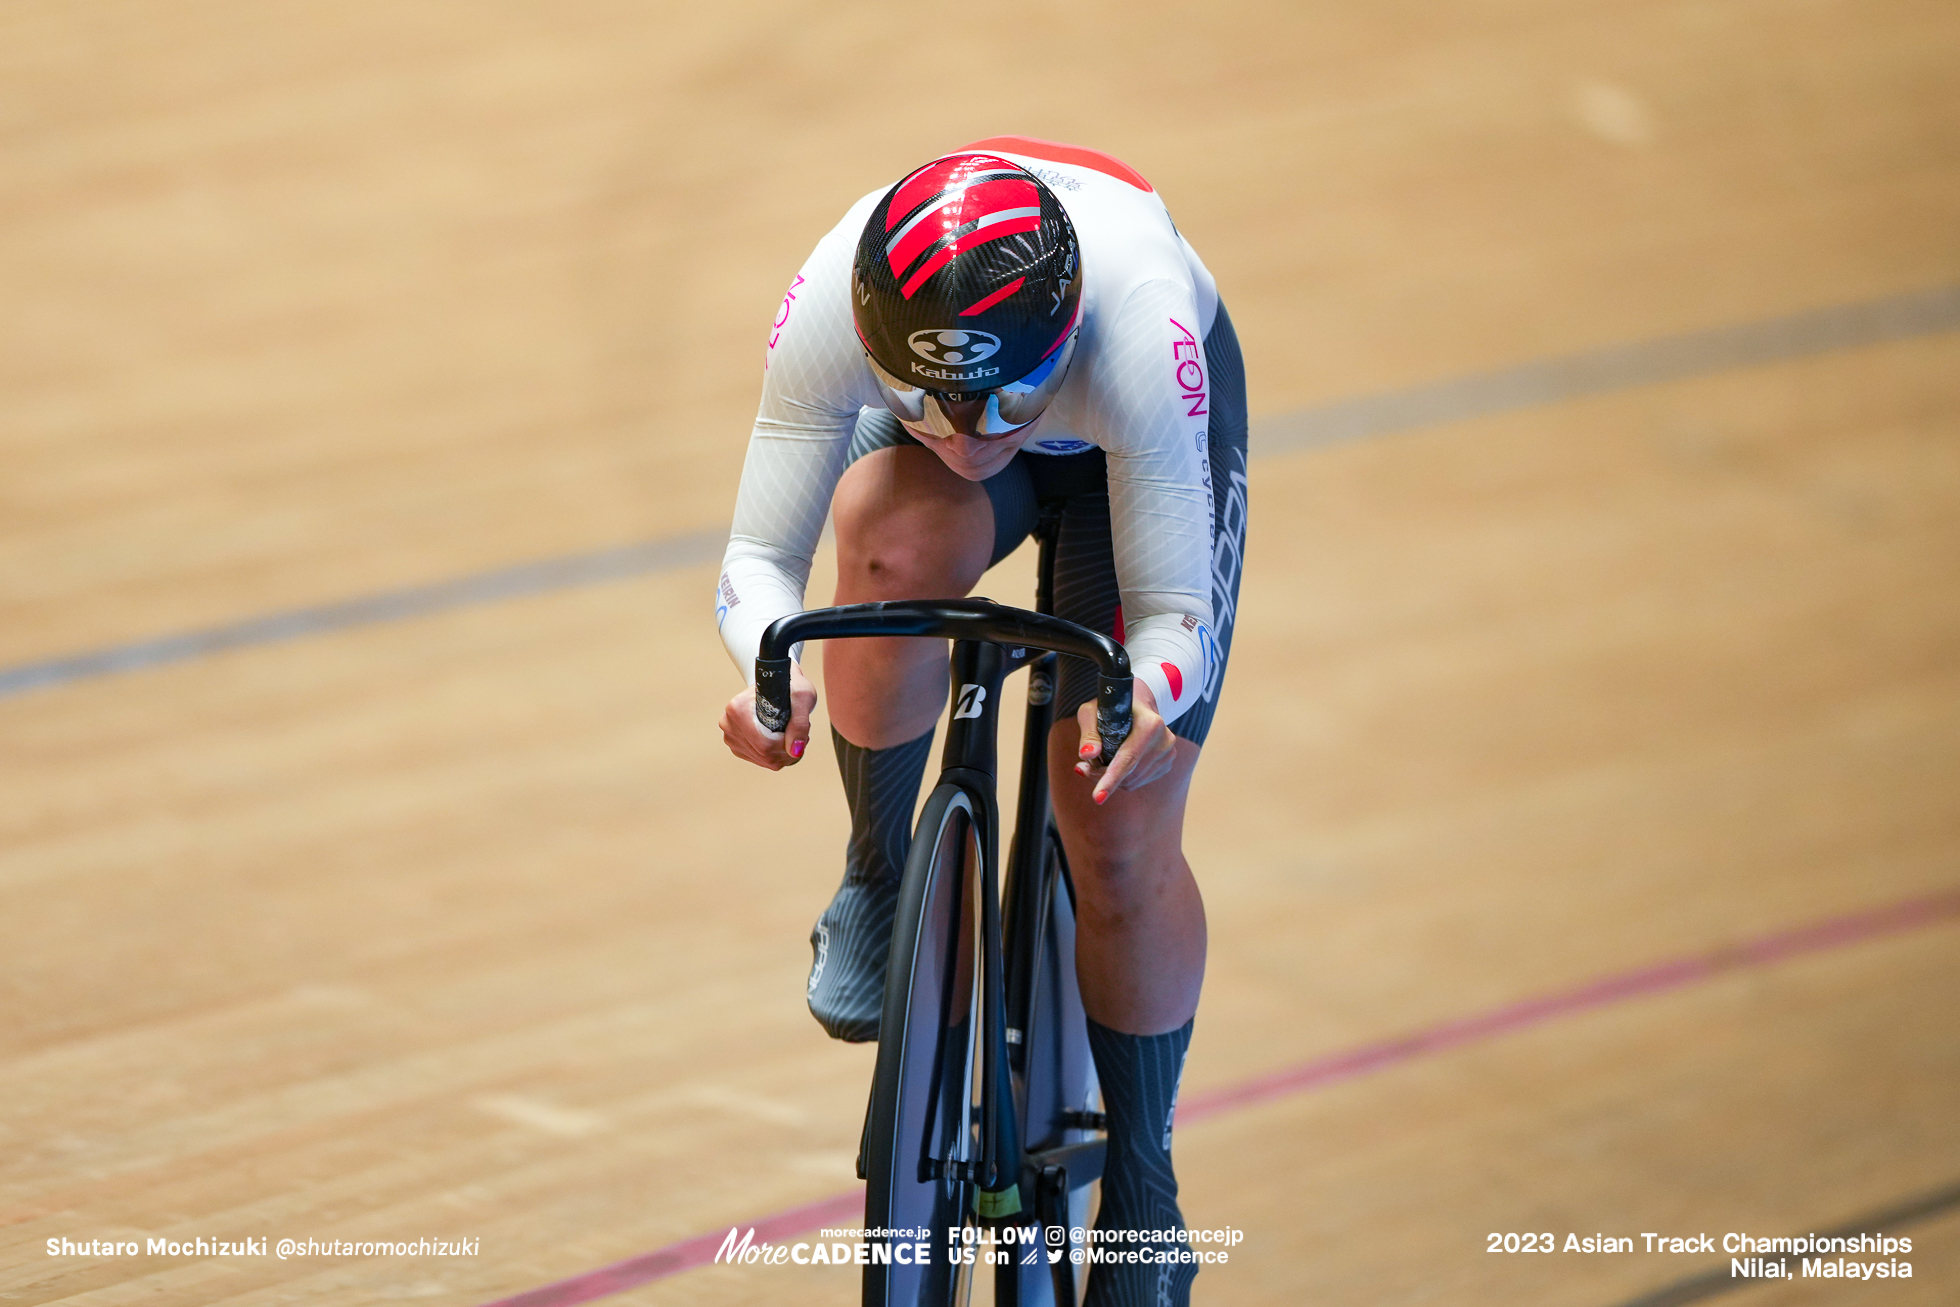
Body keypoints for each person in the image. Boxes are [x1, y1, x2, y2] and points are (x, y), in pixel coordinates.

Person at [714, 136, 1246, 1306]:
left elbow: (1169, 614)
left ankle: (1145, 1193)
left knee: (1116, 815)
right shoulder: (838, 304)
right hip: (1024, 399)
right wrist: (771, 664)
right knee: (891, 538)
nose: (968, 432)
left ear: (1060, 347)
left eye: (1006, 398)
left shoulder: (1138, 330)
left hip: (1130, 456)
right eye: (928, 402)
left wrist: (1149, 691)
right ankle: (877, 871)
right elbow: (760, 559)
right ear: (876, 346)